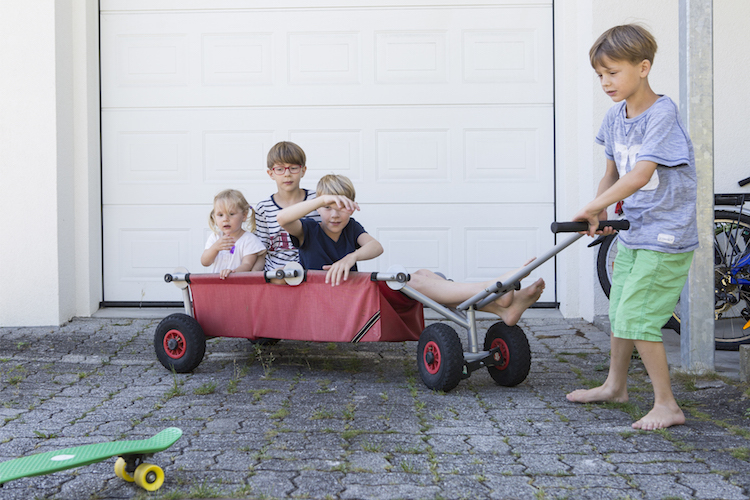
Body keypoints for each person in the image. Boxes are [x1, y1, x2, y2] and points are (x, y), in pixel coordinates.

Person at [565, 25, 698, 430]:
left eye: (613, 73)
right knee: (622, 308)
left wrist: (591, 207)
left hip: (666, 234)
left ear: (643, 68)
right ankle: (615, 385)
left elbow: (640, 174)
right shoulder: (614, 116)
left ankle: (667, 405)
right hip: (634, 229)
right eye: (600, 75)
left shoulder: (662, 114)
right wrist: (601, 211)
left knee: (639, 315)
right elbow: (612, 173)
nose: (605, 82)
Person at [277, 174, 545, 327]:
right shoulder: (308, 230)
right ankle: (491, 286)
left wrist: (352, 256)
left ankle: (502, 309)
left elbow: (375, 247)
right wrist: (320, 199)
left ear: (352, 206)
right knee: (409, 281)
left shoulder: (351, 228)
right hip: (333, 306)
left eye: (342, 206)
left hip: (353, 299)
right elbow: (283, 219)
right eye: (327, 207)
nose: (334, 214)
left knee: (423, 274)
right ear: (317, 208)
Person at [253, 141, 321, 271]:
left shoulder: (317, 201)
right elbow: (261, 251)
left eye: (293, 168)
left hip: (310, 272)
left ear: (303, 170)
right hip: (274, 274)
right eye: (280, 169)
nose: (287, 174)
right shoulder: (263, 208)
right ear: (271, 174)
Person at [201, 189, 266, 279]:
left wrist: (232, 273)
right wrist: (215, 248)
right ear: (214, 217)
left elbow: (247, 265)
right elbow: (205, 262)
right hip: (217, 286)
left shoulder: (249, 239)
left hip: (238, 286)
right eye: (220, 215)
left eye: (231, 214)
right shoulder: (215, 237)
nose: (225, 219)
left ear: (244, 215)